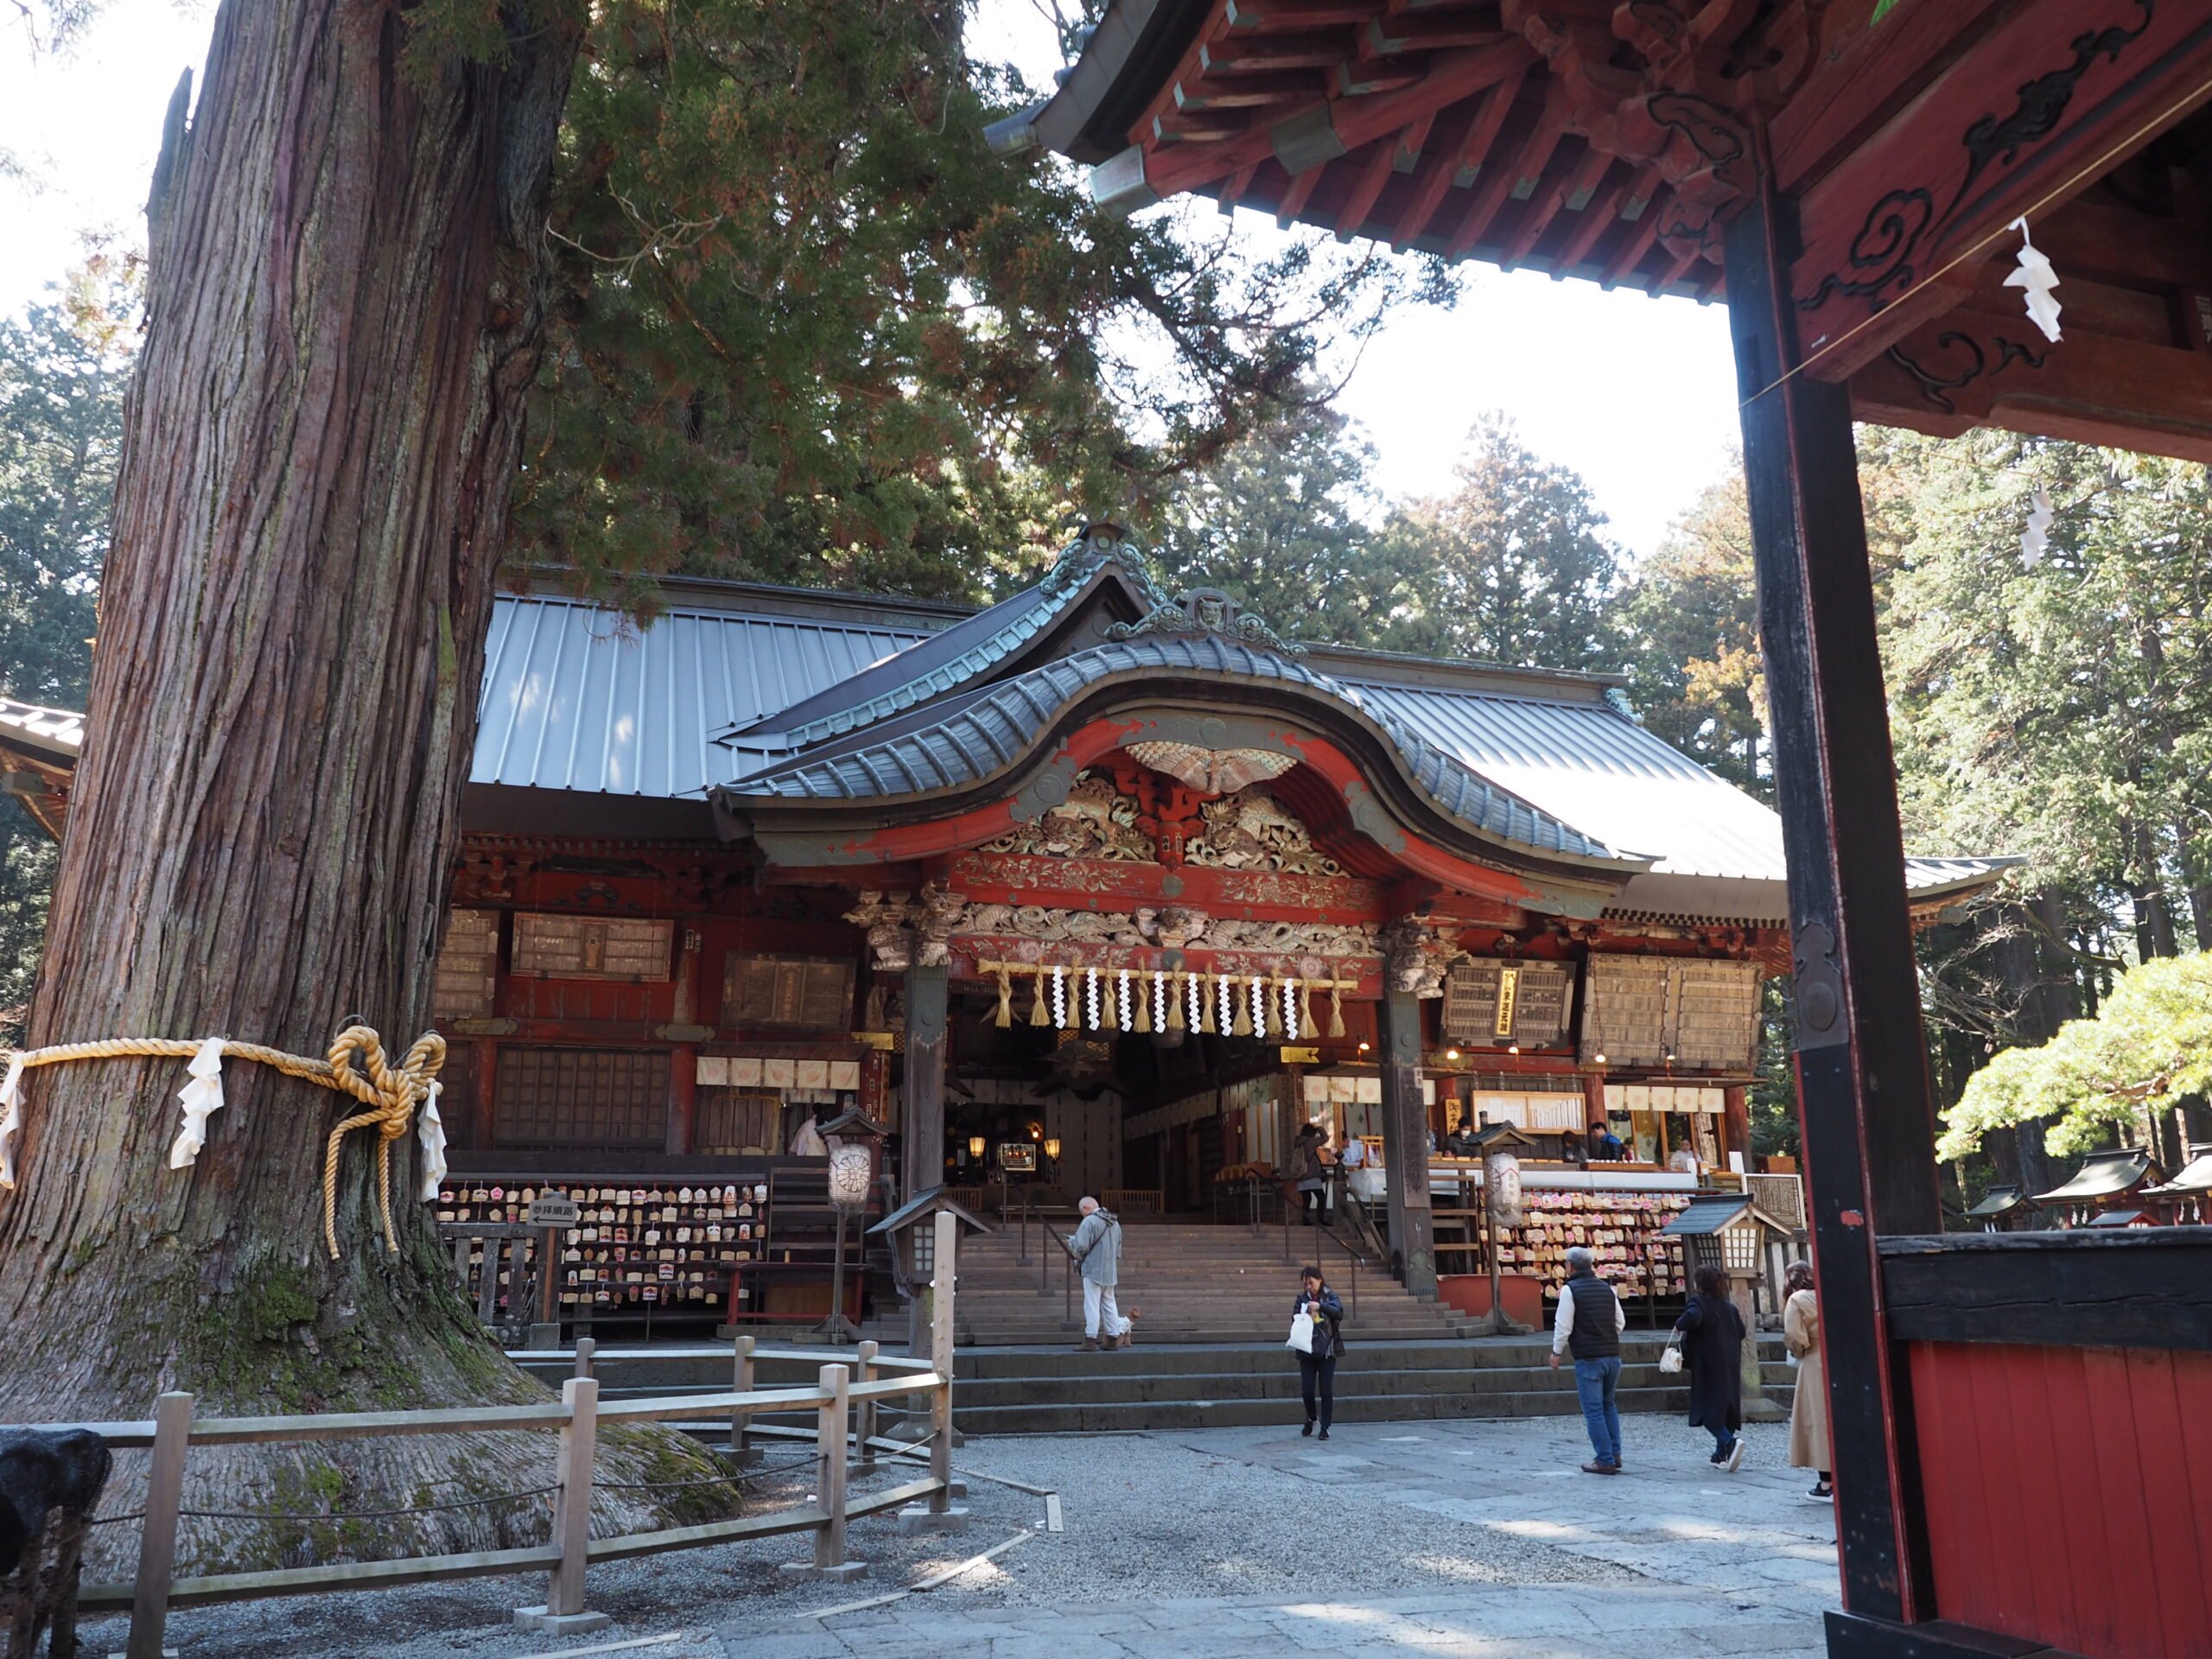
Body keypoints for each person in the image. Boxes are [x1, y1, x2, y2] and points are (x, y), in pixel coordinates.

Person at [1548, 1245, 1626, 1473]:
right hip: (1612, 1355)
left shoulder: (1570, 1290)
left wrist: (1557, 1351)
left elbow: (1563, 1326)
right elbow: (1620, 1323)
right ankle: (1615, 1452)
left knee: (1593, 1410)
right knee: (1608, 1405)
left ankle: (1604, 1459)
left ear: (1570, 1266)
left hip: (1589, 1357)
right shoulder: (1607, 1289)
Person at [1674, 1263, 1747, 1471]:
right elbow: (1741, 1332)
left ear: (1699, 1284)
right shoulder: (1730, 1308)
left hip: (1708, 1364)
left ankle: (1729, 1443)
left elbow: (1693, 1318)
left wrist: (1679, 1325)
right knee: (1727, 1407)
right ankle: (1720, 1455)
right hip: (1730, 1363)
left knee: (1709, 1412)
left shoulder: (1698, 1303)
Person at [1783, 1262, 1832, 1500]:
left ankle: (1827, 1482)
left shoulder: (1797, 1299)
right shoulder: (1829, 1293)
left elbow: (1794, 1335)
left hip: (1815, 1360)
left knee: (1819, 1420)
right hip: (1842, 1358)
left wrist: (1798, 1351)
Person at [1065, 1197, 1133, 1351]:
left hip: (1093, 1268)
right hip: (1110, 1269)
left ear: (1086, 1208)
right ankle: (1113, 1338)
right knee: (1109, 1303)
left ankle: (1090, 1340)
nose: (1083, 1215)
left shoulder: (1089, 1222)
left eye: (1082, 1212)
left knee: (1092, 1304)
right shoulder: (1115, 1222)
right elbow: (1118, 1249)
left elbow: (1081, 1246)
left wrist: (1072, 1242)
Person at [1292, 1265, 1345, 1440]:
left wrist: (1320, 1307)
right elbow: (1294, 1317)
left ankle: (1325, 1426)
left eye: (1311, 1283)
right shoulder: (1301, 1299)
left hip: (1327, 1350)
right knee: (1307, 1391)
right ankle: (1312, 1418)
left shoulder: (1330, 1295)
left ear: (1319, 1280)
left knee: (1326, 1390)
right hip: (1306, 1349)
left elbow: (1338, 1313)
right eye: (1305, 1284)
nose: (1308, 1287)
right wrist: (1304, 1315)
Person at [1291, 1122, 1327, 1226]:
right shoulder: (1310, 1142)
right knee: (1321, 1197)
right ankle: (1320, 1219)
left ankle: (1305, 1221)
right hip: (1311, 1175)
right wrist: (1319, 1127)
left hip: (1301, 1174)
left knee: (1307, 1200)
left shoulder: (1298, 1142)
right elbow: (1325, 1138)